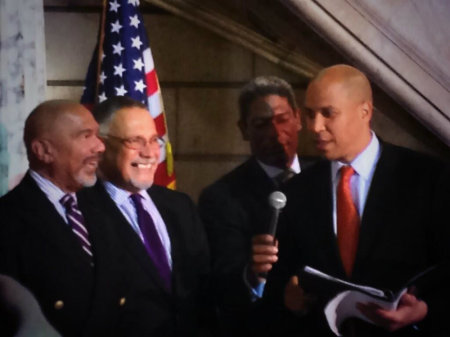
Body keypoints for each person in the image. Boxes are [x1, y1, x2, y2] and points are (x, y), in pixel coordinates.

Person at [263, 64, 450, 336]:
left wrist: (425, 309)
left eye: (328, 113)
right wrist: (289, 299)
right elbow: (280, 284)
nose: (315, 127)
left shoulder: (427, 178)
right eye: (310, 114)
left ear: (365, 111)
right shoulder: (297, 191)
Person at [80, 96, 211, 337]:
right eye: (135, 141)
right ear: (101, 143)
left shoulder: (179, 206)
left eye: (154, 140)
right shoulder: (81, 211)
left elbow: (205, 287)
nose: (150, 153)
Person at [0, 100, 131, 337]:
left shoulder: (105, 207)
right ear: (44, 150)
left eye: (97, 135)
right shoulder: (7, 219)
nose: (100, 147)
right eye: (85, 136)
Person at [198, 76, 315, 336]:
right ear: (244, 130)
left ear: (298, 119)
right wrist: (252, 274)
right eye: (261, 124)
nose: (275, 132)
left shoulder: (327, 178)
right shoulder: (220, 197)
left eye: (282, 119)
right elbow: (221, 284)